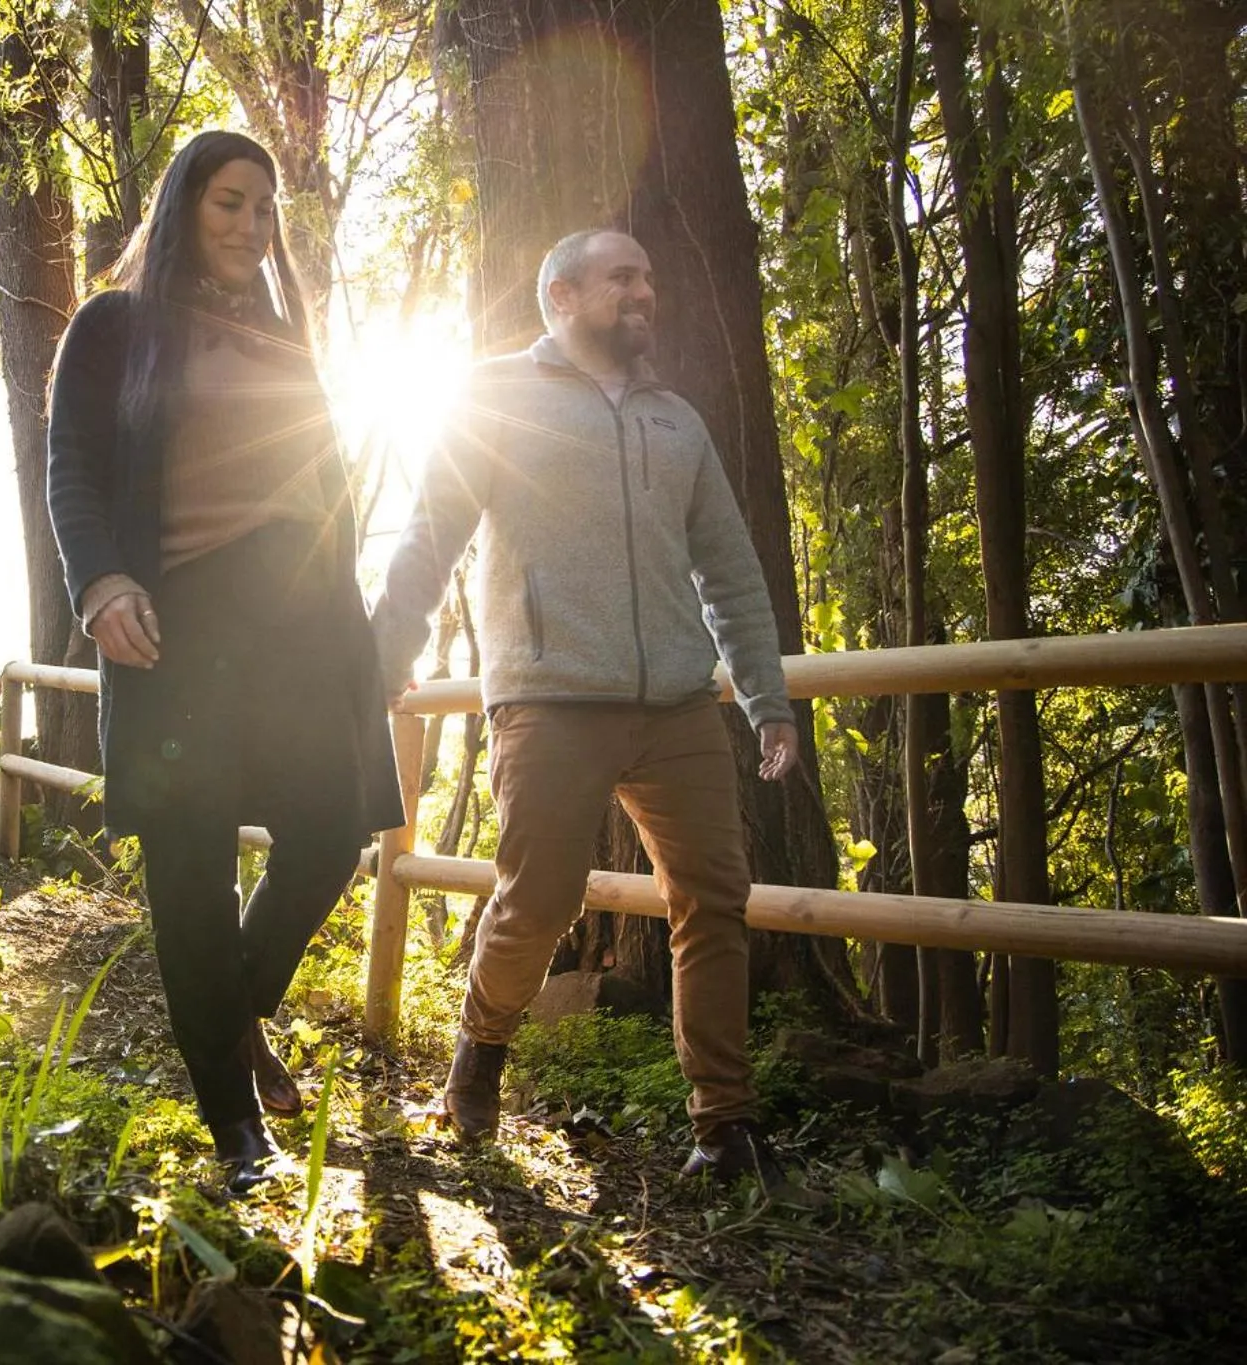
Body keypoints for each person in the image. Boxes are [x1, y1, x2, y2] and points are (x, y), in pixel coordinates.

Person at [371, 228, 801, 1186]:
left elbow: (729, 569)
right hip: (549, 696)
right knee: (538, 900)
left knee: (715, 901)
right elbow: (430, 534)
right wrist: (381, 659)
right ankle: (480, 1053)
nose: (645, 290)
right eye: (623, 277)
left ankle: (724, 1126)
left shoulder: (677, 421)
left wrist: (766, 697)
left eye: (649, 274)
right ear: (560, 294)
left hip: (680, 705)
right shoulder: (492, 395)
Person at [45, 131, 403, 1195]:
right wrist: (102, 583)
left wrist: (358, 629)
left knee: (332, 829)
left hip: (298, 620)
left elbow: (325, 493)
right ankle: (233, 1121)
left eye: (264, 210)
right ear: (181, 207)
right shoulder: (115, 326)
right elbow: (70, 470)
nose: (251, 227)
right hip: (176, 621)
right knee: (190, 864)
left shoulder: (285, 340)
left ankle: (231, 1014)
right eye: (229, 204)